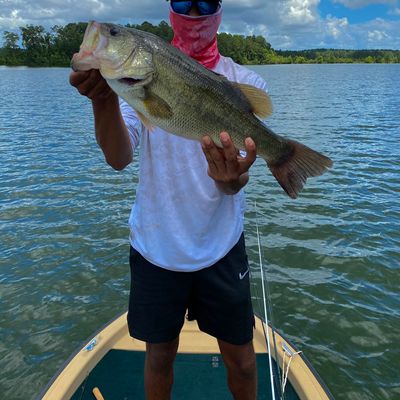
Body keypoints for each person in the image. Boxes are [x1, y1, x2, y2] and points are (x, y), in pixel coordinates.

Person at [70, 1, 269, 399]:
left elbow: (236, 180)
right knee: (159, 357)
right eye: (183, 1)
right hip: (156, 249)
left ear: (219, 9)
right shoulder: (134, 79)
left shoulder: (244, 81)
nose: (193, 11)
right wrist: (103, 101)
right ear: (169, 9)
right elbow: (118, 158)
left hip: (222, 247)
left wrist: (232, 182)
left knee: (244, 361)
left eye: (204, 2)